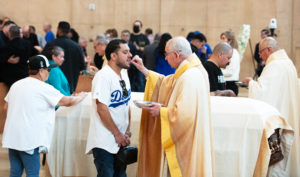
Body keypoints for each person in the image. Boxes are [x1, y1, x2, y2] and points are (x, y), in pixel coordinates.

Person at [131, 36, 214, 177]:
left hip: (187, 144)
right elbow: (167, 83)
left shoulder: (190, 76)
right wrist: (143, 69)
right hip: (193, 139)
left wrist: (162, 112)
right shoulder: (193, 70)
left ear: (176, 55)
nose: (165, 59)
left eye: (166, 54)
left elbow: (185, 114)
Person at [2, 55, 87, 177]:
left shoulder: (17, 85)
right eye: (48, 70)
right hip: (29, 141)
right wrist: (82, 96)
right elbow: (68, 102)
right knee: (32, 173)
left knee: (15, 173)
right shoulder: (43, 88)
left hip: (12, 137)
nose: (49, 73)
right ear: (41, 71)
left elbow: (6, 108)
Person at [242, 37, 300, 177]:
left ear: (268, 50)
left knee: (276, 164)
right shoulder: (288, 63)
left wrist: (251, 83)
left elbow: (262, 93)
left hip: (278, 119)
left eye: (261, 52)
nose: (260, 56)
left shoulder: (275, 66)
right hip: (287, 113)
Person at [86, 39, 132, 177]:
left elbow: (126, 104)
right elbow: (102, 109)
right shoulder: (103, 76)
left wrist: (127, 132)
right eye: (125, 52)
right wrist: (118, 134)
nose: (130, 55)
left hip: (120, 139)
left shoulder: (124, 73)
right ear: (113, 56)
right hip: (104, 141)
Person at [44, 21, 86, 93]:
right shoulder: (77, 46)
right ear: (69, 32)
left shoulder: (50, 45)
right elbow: (82, 66)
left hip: (52, 87)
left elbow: (43, 62)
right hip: (71, 85)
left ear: (59, 30)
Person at [220, 30, 241, 95]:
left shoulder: (234, 53)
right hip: (224, 82)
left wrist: (218, 72)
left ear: (229, 40)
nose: (221, 41)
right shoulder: (226, 51)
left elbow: (230, 72)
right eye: (221, 38)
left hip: (231, 84)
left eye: (223, 38)